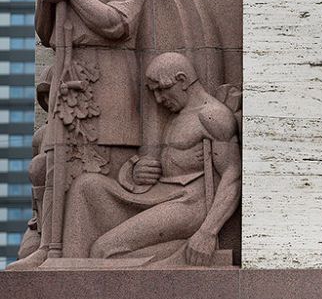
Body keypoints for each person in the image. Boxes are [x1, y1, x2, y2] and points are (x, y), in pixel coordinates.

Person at [8, 0, 151, 270]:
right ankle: (51, 247)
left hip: (109, 76)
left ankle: (76, 248)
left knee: (94, 166)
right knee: (55, 162)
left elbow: (118, 24)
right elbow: (47, 35)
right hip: (67, 78)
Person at [61, 53, 241, 266]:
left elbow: (233, 175)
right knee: (86, 185)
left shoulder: (212, 116)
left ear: (182, 80)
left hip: (189, 201)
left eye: (161, 89)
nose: (158, 99)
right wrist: (136, 170)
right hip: (160, 193)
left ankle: (178, 254)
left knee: (103, 249)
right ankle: (68, 263)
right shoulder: (181, 114)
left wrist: (207, 233)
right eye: (153, 91)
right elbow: (166, 162)